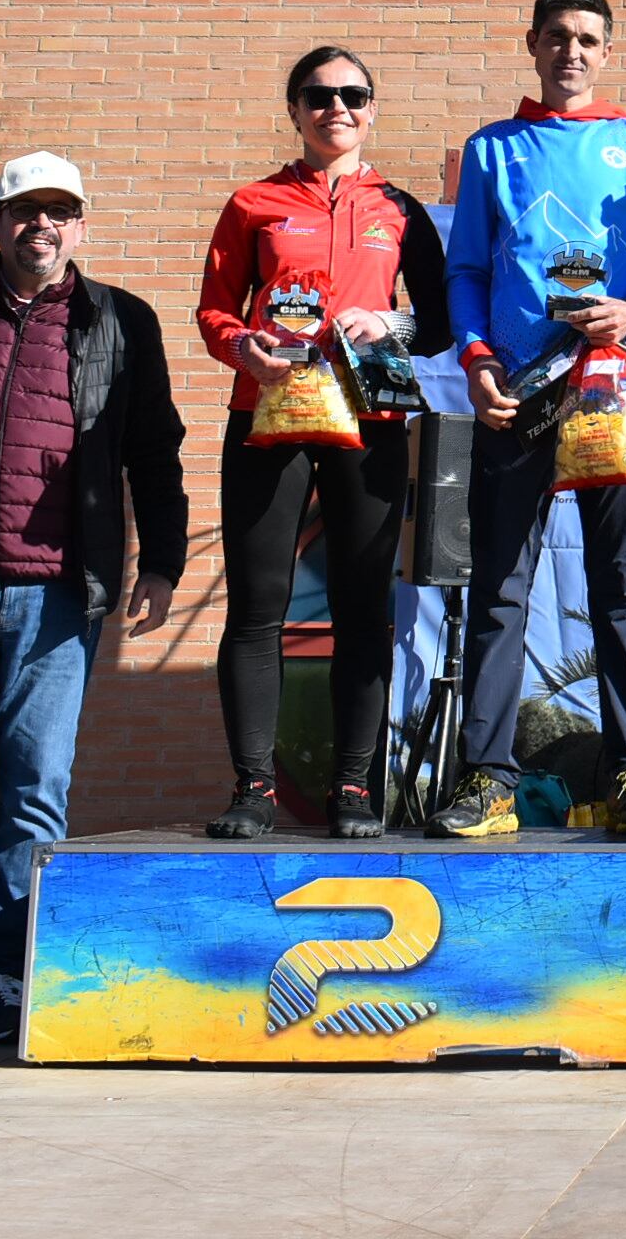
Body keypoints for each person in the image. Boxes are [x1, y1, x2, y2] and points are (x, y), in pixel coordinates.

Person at [0, 152, 189, 1053]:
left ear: (82, 226)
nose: (40, 227)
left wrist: (160, 562)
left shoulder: (121, 321)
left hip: (59, 599)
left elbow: (154, 451)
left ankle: (14, 974)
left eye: (60, 212)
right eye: (24, 211)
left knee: (36, 795)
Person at [435, 0, 626, 839]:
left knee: (621, 585)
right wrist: (477, 358)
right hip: (517, 389)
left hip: (617, 384)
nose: (573, 52)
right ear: (532, 45)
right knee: (499, 586)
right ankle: (489, 779)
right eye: (557, 37)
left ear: (607, 51)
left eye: (589, 39)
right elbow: (465, 272)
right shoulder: (493, 150)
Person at [195, 47, 452, 841]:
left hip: (370, 420)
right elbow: (213, 311)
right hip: (269, 414)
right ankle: (253, 789)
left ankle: (351, 789)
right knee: (257, 608)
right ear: (295, 109)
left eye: (353, 95)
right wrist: (246, 348)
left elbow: (439, 325)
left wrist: (392, 324)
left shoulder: (399, 208)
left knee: (363, 609)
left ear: (372, 110)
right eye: (319, 95)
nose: (336, 107)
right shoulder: (253, 203)